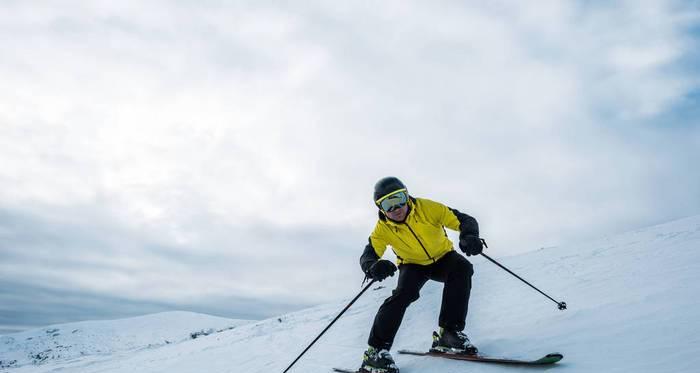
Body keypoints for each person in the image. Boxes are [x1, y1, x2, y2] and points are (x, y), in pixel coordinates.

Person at [359, 177, 483, 373]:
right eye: (387, 204)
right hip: (412, 265)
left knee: (462, 268)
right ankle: (375, 352)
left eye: (399, 199)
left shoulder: (428, 208)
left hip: (443, 257)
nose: (396, 208)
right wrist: (373, 266)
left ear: (407, 196)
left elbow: (464, 220)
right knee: (402, 296)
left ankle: (449, 333)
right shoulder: (382, 230)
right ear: (380, 208)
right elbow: (368, 256)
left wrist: (469, 236)